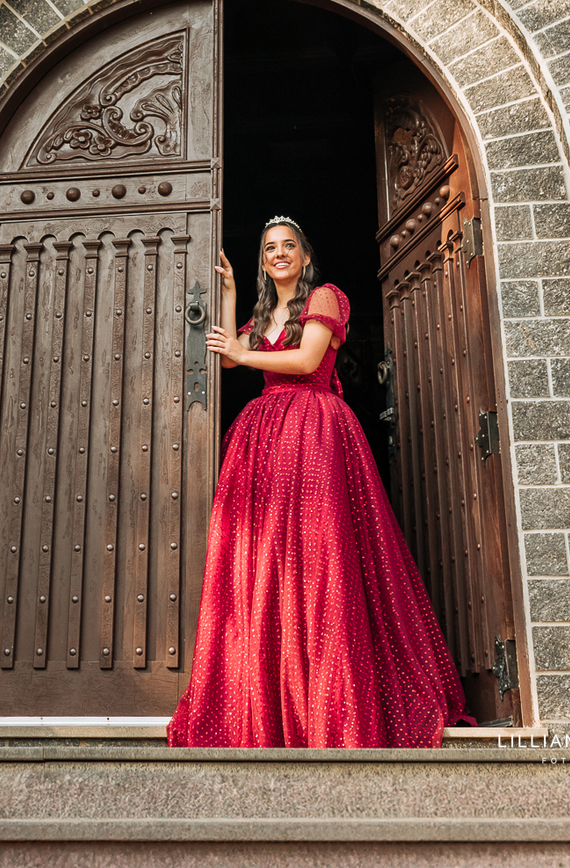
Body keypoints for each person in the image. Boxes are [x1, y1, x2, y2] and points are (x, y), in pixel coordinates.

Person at [167, 216, 471, 749]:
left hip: (315, 430)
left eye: (289, 247)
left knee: (322, 556)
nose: (279, 254)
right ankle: (275, 699)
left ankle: (331, 703)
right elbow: (233, 359)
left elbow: (306, 359)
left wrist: (241, 351)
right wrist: (234, 295)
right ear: (264, 262)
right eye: (269, 250)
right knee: (269, 562)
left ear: (305, 257)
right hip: (265, 440)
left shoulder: (325, 297)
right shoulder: (263, 312)